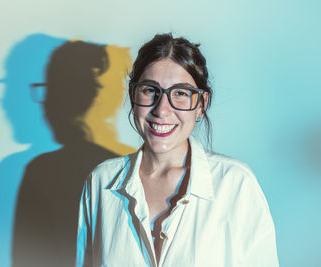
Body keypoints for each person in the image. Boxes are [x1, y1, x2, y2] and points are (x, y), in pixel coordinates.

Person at [76, 33, 279, 267]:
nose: (162, 110)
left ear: (201, 104)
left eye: (180, 93)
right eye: (150, 90)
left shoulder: (236, 184)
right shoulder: (100, 182)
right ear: (133, 95)